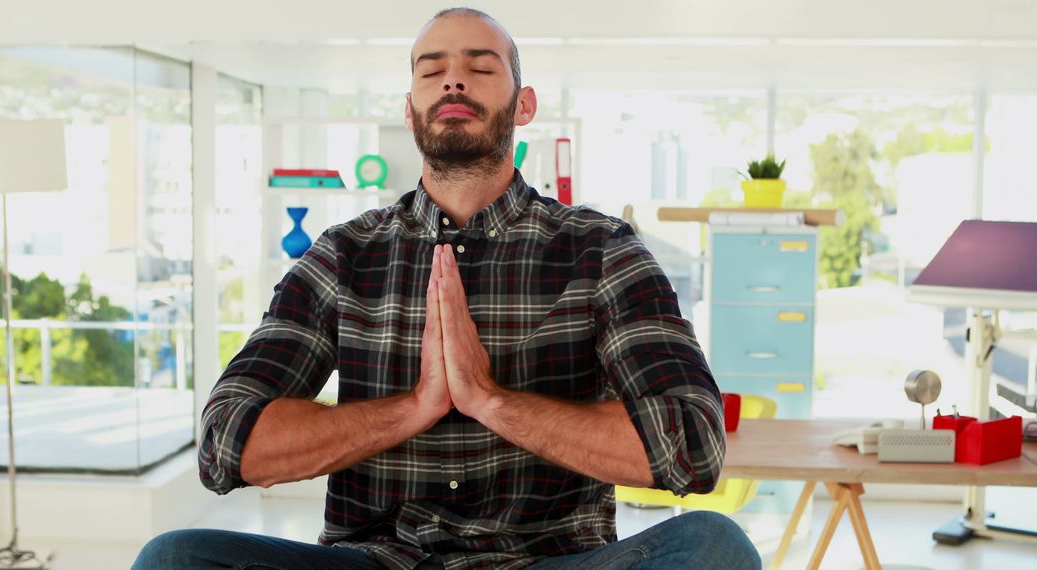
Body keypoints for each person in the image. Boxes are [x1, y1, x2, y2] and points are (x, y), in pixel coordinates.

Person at [134, 7, 760, 570]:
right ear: (409, 108)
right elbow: (225, 443)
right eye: (432, 70)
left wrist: (492, 400)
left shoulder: (600, 250)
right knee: (176, 558)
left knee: (713, 546)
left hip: (545, 560)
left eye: (480, 68)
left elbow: (693, 445)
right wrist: (414, 407)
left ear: (524, 105)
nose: (453, 81)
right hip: (379, 559)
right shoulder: (343, 254)